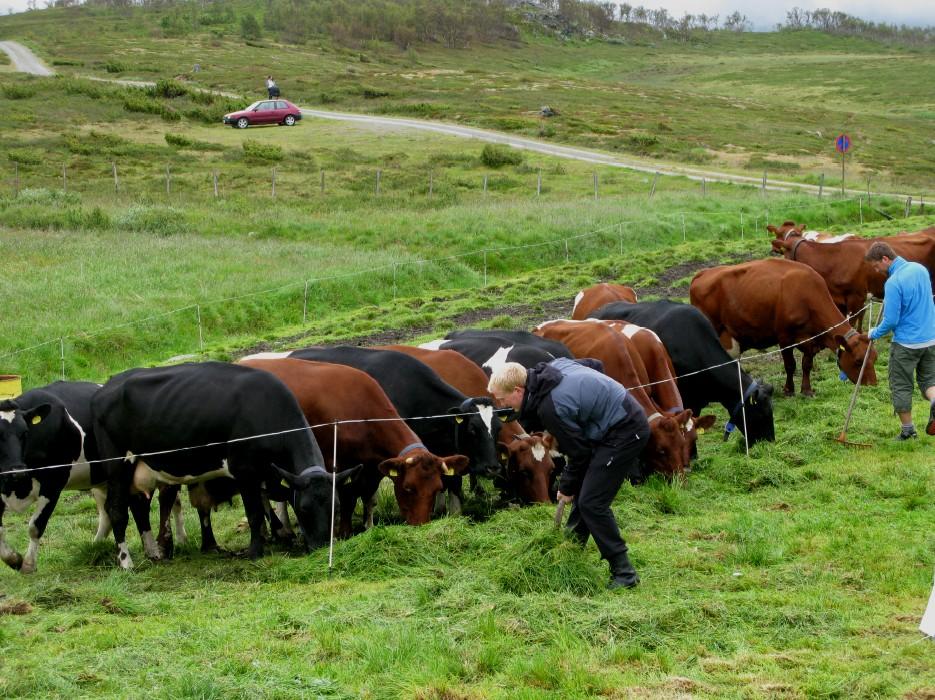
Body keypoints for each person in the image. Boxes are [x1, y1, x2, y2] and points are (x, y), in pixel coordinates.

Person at [488, 358, 650, 589]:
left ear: (518, 390)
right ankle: (571, 550)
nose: (500, 403)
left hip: (626, 430)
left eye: (502, 398)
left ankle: (624, 573)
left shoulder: (550, 406)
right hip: (612, 424)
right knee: (585, 494)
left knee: (592, 503)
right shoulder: (552, 368)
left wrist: (566, 486)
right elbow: (595, 365)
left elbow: (580, 454)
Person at [866, 241, 935, 440]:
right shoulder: (920, 269)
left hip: (906, 343)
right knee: (929, 380)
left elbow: (891, 321)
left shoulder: (893, 282)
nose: (877, 270)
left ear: (885, 259)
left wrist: (874, 333)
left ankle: (908, 431)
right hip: (930, 339)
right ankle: (934, 402)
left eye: (876, 265)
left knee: (901, 385)